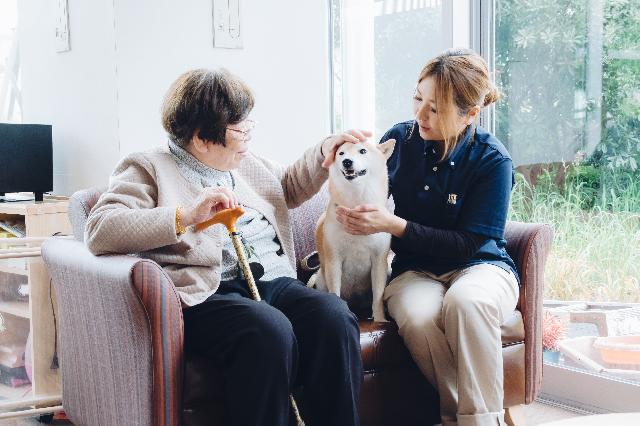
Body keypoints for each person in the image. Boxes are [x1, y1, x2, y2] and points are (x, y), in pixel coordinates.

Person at [85, 68, 365, 426]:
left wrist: (325, 151)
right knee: (268, 330)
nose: (248, 136)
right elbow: (100, 228)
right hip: (209, 294)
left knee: (334, 317)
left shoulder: (247, 164)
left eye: (249, 125)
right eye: (239, 129)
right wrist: (185, 215)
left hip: (275, 283)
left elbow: (290, 186)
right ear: (201, 138)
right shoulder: (147, 167)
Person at [336, 49, 520, 426]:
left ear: (470, 114)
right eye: (418, 99)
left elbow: (469, 243)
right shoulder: (400, 140)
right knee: (418, 317)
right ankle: (461, 418)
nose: (419, 115)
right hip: (414, 270)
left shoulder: (492, 160)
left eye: (435, 109)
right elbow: (357, 184)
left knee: (466, 303)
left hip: (481, 266)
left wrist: (394, 225)